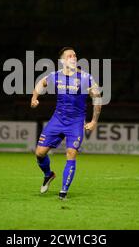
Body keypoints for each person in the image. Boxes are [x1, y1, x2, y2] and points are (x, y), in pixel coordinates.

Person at [31, 47, 102, 200]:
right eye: (69, 56)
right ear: (62, 61)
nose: (73, 57)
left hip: (76, 123)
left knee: (70, 154)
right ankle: (48, 175)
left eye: (75, 55)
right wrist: (34, 97)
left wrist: (94, 120)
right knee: (39, 153)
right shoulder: (55, 76)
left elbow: (97, 98)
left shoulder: (85, 77)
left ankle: (63, 192)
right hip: (57, 119)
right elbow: (40, 84)